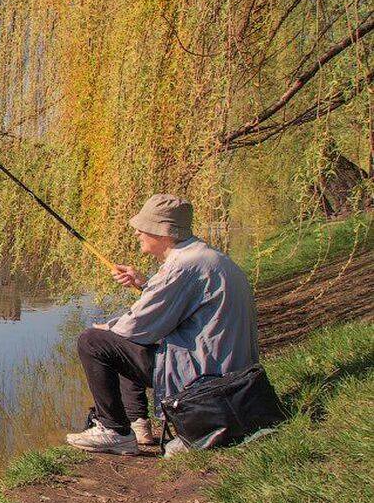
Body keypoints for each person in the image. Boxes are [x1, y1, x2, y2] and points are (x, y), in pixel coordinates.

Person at [66, 194, 259, 456]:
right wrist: (144, 284)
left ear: (163, 232)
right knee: (121, 342)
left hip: (206, 377)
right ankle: (137, 422)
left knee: (94, 342)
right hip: (228, 370)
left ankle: (114, 431)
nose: (137, 232)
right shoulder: (205, 256)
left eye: (143, 228)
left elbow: (138, 326)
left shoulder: (183, 266)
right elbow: (174, 309)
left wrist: (106, 329)